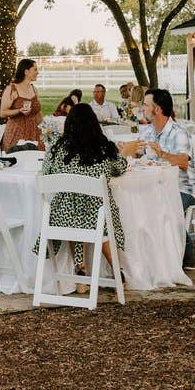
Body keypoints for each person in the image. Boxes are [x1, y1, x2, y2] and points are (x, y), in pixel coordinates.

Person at [39, 104, 127, 275]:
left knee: (73, 209)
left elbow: (46, 172)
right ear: (94, 123)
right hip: (97, 214)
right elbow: (120, 167)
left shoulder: (57, 149)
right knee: (100, 216)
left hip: (63, 216)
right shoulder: (103, 148)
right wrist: (124, 153)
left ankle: (80, 266)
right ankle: (117, 269)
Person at [122, 89, 195, 270]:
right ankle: (149, 257)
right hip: (153, 186)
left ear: (157, 109)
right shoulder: (147, 132)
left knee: (162, 206)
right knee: (132, 204)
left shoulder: (179, 133)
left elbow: (183, 162)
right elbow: (137, 157)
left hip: (182, 188)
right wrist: (129, 150)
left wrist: (162, 154)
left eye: (145, 105)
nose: (142, 108)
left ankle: (188, 255)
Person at [0, 58, 43, 150]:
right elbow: (3, 113)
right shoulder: (12, 89)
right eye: (35, 69)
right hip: (17, 133)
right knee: (17, 156)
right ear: (26, 72)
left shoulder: (34, 89)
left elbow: (38, 113)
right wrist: (19, 111)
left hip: (35, 133)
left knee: (37, 157)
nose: (37, 72)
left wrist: (44, 128)